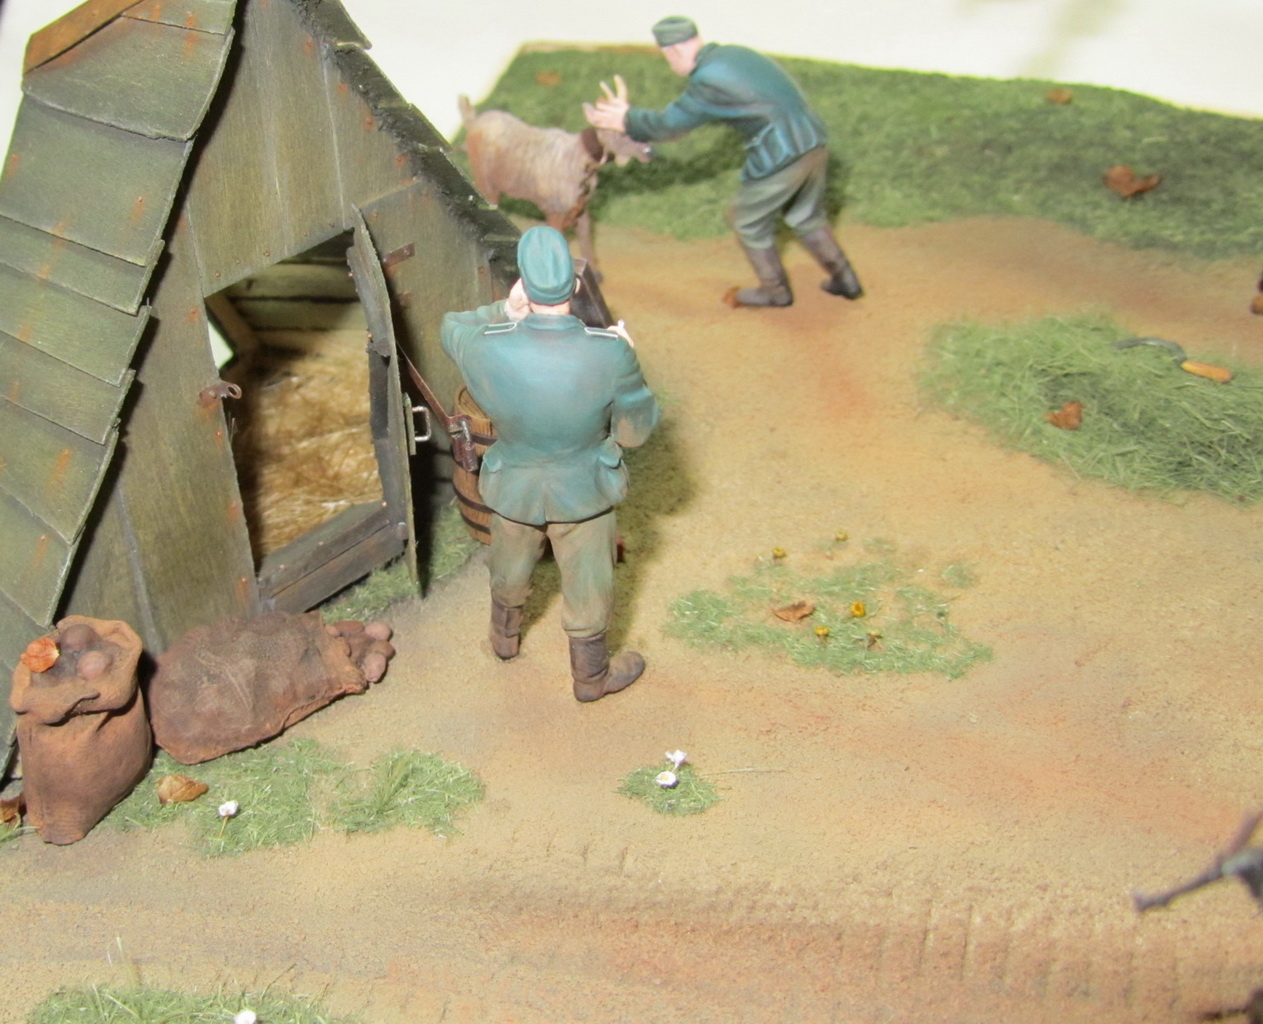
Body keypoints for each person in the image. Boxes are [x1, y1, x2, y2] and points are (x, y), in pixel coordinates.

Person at [441, 226, 660, 702]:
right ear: (575, 286)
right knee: (589, 584)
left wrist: (506, 309)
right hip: (584, 490)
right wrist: (627, 357)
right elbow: (635, 432)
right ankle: (591, 678)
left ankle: (503, 640)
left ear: (523, 284)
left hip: (512, 486)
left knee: (508, 567)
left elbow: (451, 325)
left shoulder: (483, 345)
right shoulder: (609, 352)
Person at [585, 15, 863, 309]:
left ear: (673, 51)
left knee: (747, 220)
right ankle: (846, 280)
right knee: (806, 217)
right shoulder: (733, 54)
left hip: (782, 154)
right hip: (812, 141)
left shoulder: (708, 80)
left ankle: (775, 292)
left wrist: (627, 119)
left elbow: (670, 125)